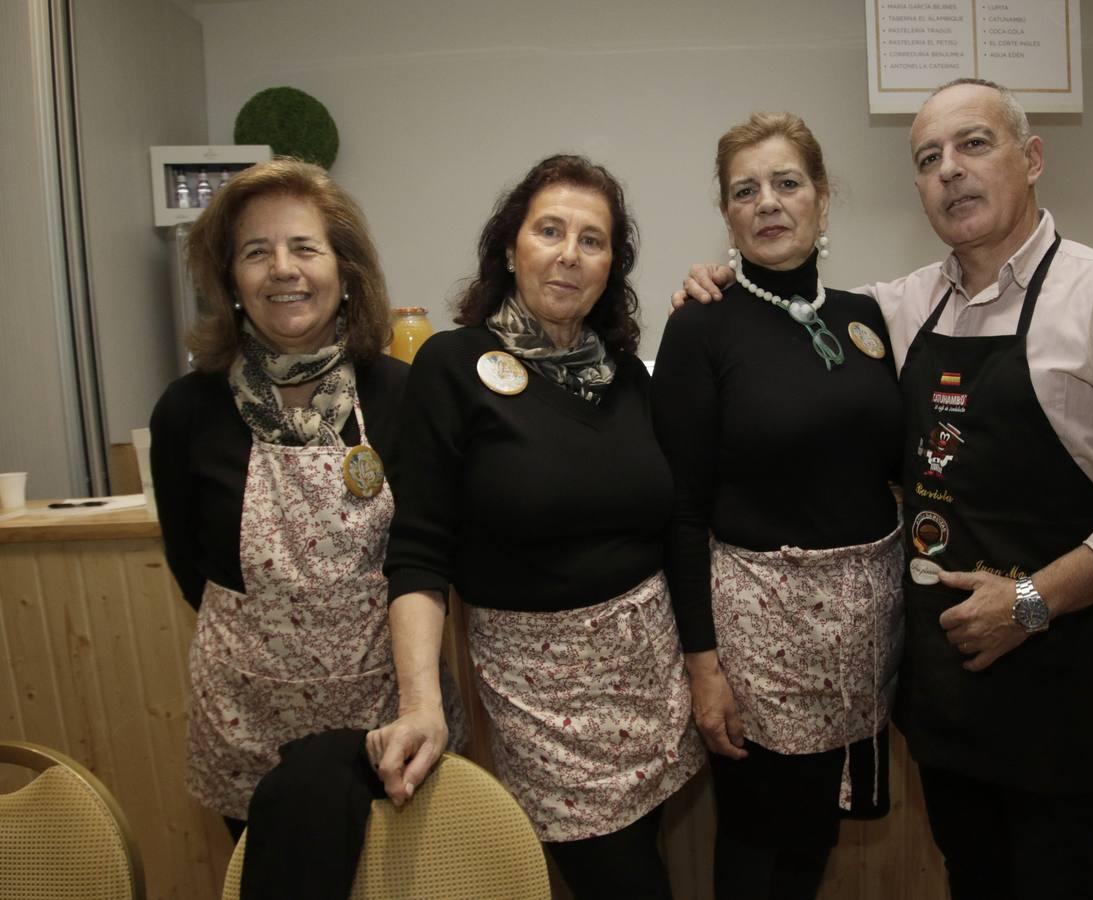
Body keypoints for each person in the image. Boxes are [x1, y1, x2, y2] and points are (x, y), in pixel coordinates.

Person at [676, 79, 1093, 899]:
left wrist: (1033, 600)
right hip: (942, 686)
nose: (951, 172)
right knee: (972, 878)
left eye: (975, 145)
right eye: (929, 158)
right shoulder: (897, 309)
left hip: (1054, 680)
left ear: (1032, 159)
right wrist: (715, 288)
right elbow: (799, 328)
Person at [365, 155, 704, 900]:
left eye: (592, 239)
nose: (568, 254)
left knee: (641, 857)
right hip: (538, 690)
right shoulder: (451, 366)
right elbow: (418, 547)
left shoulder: (625, 378)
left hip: (649, 676)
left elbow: (671, 520)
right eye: (549, 230)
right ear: (509, 247)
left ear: (611, 266)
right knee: (625, 883)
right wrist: (420, 702)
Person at [150, 158, 465, 838]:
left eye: (304, 248)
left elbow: (425, 552)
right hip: (249, 724)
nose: (282, 269)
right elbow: (188, 565)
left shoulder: (400, 395)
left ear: (345, 271)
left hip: (389, 721)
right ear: (230, 279)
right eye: (256, 253)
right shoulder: (186, 410)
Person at [653, 113, 905, 900]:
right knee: (757, 834)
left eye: (787, 183)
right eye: (745, 190)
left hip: (862, 628)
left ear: (823, 201)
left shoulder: (869, 317)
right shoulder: (701, 325)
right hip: (756, 630)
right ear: (727, 214)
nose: (768, 202)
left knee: (818, 829)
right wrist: (704, 669)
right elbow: (681, 510)